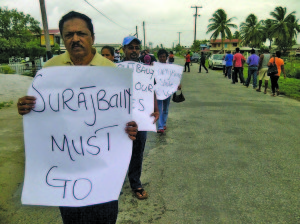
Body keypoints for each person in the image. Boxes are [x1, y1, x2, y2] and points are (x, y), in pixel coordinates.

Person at [17, 11, 138, 224]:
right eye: (68, 35)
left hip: (103, 168)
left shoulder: (112, 71)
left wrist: (130, 129)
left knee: (105, 218)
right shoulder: (49, 70)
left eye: (81, 33)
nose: (75, 39)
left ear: (92, 37)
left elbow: (125, 116)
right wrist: (27, 107)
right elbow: (41, 116)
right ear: (63, 39)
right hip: (67, 171)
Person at [121, 36, 159, 199]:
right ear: (123, 49)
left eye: (137, 47)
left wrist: (156, 109)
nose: (134, 50)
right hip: (118, 119)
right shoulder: (115, 68)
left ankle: (135, 183)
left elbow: (152, 90)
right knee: (117, 151)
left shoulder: (146, 70)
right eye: (131, 47)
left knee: (137, 152)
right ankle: (112, 183)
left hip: (140, 119)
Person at [156, 49, 171, 133]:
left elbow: (174, 78)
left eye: (164, 56)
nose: (162, 58)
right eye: (160, 57)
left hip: (168, 91)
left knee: (165, 108)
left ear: (166, 57)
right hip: (158, 91)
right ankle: (160, 126)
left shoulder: (170, 67)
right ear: (158, 58)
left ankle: (163, 123)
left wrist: (177, 85)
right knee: (159, 109)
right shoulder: (154, 67)